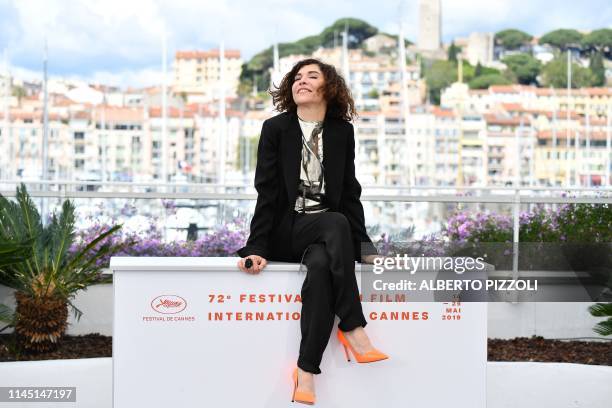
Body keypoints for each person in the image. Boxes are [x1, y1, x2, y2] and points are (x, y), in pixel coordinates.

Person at [236, 58, 388, 405]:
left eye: (311, 76)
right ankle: (352, 325)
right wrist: (255, 246)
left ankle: (305, 372)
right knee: (335, 222)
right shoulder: (276, 129)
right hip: (286, 231)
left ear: (328, 87)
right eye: (297, 77)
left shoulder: (341, 132)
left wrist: (365, 247)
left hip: (324, 238)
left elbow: (349, 193)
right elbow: (268, 193)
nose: (301, 81)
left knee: (321, 268)